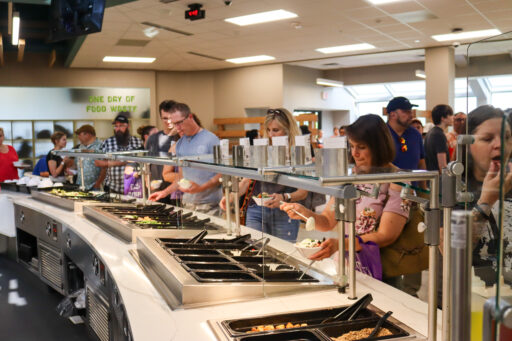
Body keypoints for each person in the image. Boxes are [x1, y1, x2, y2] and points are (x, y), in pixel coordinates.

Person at [281, 114, 411, 280]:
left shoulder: (398, 180)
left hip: (381, 271)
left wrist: (340, 244)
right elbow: (328, 221)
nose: (355, 153)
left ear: (379, 147)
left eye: (361, 147)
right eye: (352, 146)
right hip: (347, 266)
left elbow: (386, 235)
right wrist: (304, 213)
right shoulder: (352, 177)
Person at [220, 108, 308, 242]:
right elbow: (246, 182)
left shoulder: (298, 153)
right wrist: (231, 196)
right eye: (268, 130)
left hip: (285, 212)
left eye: (276, 130)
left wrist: (284, 197)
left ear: (288, 130)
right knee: (255, 251)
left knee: (282, 255)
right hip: (256, 210)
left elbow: (303, 192)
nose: (271, 134)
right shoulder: (262, 151)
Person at [461, 105, 512, 285]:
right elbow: (451, 250)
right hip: (471, 296)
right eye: (487, 138)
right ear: (468, 146)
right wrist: (486, 202)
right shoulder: (456, 188)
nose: (500, 145)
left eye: (506, 137)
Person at [150, 102, 222, 215]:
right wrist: (163, 192)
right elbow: (182, 178)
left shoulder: (211, 139)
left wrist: (201, 187)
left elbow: (222, 174)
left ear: (190, 117)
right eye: (174, 124)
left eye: (179, 122)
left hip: (210, 204)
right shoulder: (179, 145)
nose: (177, 128)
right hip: (187, 204)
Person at [95, 114, 143, 194]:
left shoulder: (138, 142)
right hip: (113, 187)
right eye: (116, 126)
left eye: (121, 126)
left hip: (134, 186)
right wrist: (119, 163)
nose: (118, 129)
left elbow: (143, 162)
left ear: (128, 126)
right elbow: (98, 162)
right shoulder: (108, 142)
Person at [145, 100, 180, 198]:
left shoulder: (182, 137)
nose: (168, 122)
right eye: (165, 118)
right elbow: (146, 163)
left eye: (170, 118)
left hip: (177, 190)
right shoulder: (153, 138)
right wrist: (147, 182)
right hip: (157, 188)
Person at [424, 104, 453, 173]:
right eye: (451, 115)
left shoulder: (431, 132)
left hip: (432, 177)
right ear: (443, 118)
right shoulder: (439, 135)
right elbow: (442, 165)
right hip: (439, 179)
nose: (453, 117)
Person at [75, 125, 104, 190]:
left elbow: (105, 167)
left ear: (88, 134)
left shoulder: (101, 146)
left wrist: (98, 183)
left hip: (95, 187)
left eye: (79, 134)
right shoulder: (81, 146)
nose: (78, 137)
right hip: (80, 185)